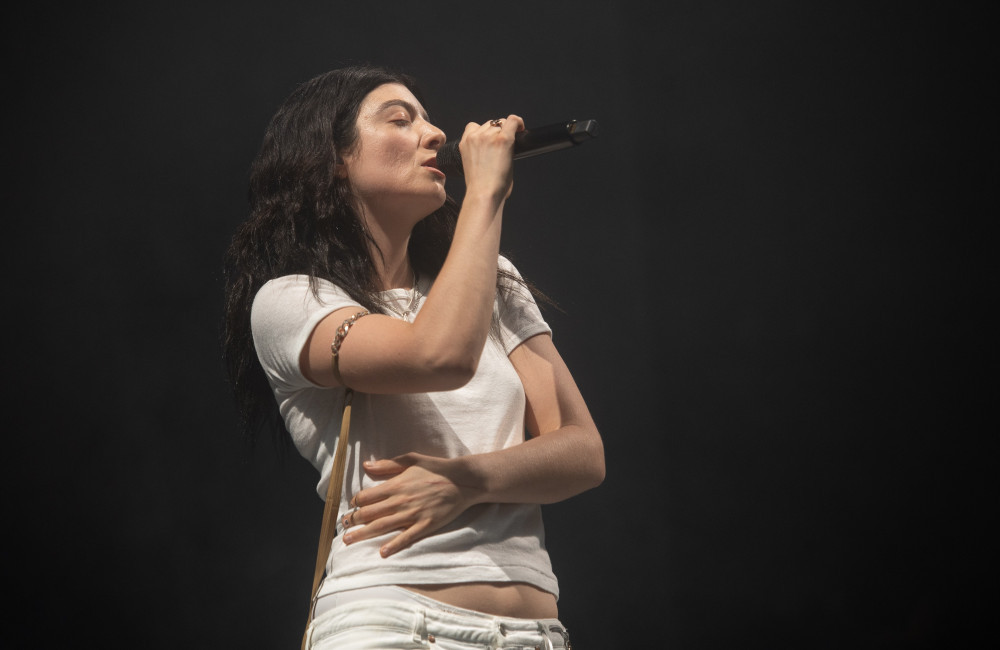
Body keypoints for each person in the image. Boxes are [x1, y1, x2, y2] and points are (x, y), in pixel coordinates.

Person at [223, 64, 604, 650]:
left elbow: (582, 451)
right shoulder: (295, 299)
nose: (436, 136)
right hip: (394, 621)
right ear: (333, 160)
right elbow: (439, 357)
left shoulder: (492, 282)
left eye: (429, 120)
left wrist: (467, 482)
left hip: (533, 633)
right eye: (400, 120)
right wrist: (485, 196)